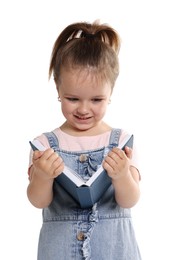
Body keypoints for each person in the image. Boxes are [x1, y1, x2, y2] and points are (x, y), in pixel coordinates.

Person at [27, 20, 142, 260]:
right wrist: (43, 176)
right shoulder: (45, 145)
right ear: (58, 89)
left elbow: (130, 200)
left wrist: (121, 176)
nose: (84, 109)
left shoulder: (121, 141)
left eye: (96, 100)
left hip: (114, 251)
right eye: (73, 98)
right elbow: (38, 201)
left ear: (111, 93)